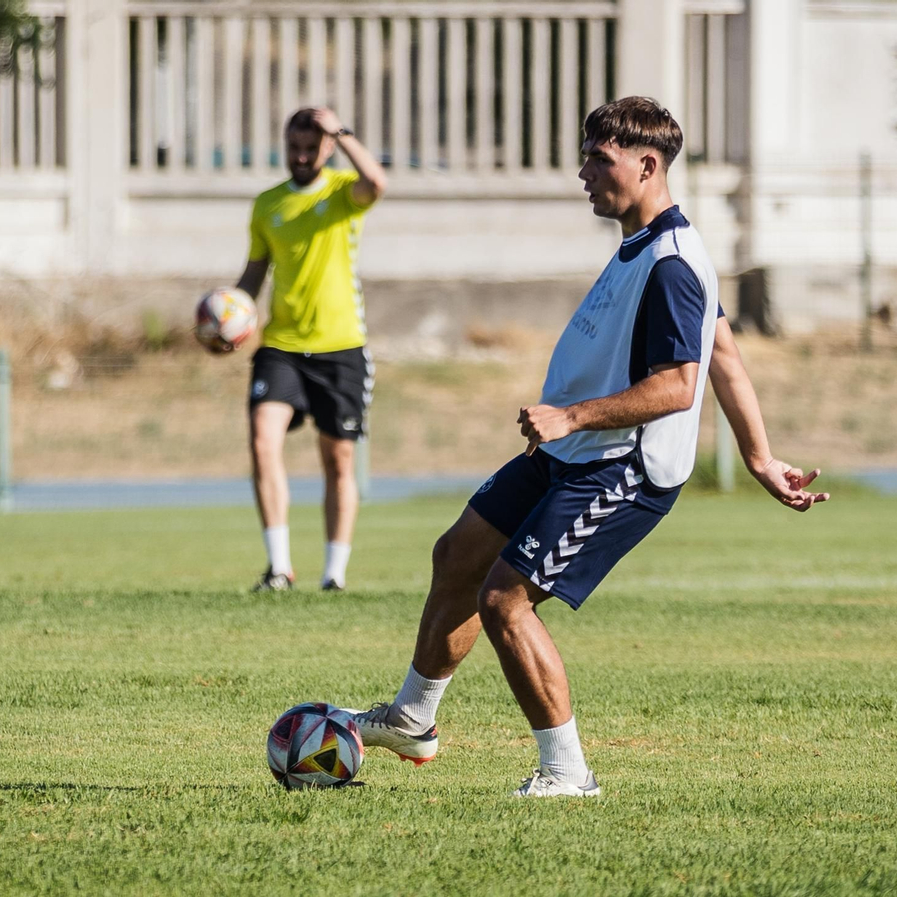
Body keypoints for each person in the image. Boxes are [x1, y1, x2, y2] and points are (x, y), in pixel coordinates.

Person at [349, 97, 829, 796]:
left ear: (647, 164)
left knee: (506, 600)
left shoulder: (670, 261)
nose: (582, 173)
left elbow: (677, 384)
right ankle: (412, 718)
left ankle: (567, 773)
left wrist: (571, 416)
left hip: (621, 466)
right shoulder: (643, 245)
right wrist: (759, 456)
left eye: (597, 159)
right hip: (569, 455)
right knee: (456, 553)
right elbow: (722, 348)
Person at [231, 106, 388, 592]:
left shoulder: (344, 192)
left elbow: (377, 182)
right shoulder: (267, 204)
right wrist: (230, 316)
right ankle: (278, 568)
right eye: (294, 147)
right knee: (263, 440)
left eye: (311, 147)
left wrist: (342, 131)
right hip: (281, 345)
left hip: (341, 347)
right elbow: (255, 273)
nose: (301, 157)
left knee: (338, 459)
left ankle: (333, 575)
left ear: (326, 148)